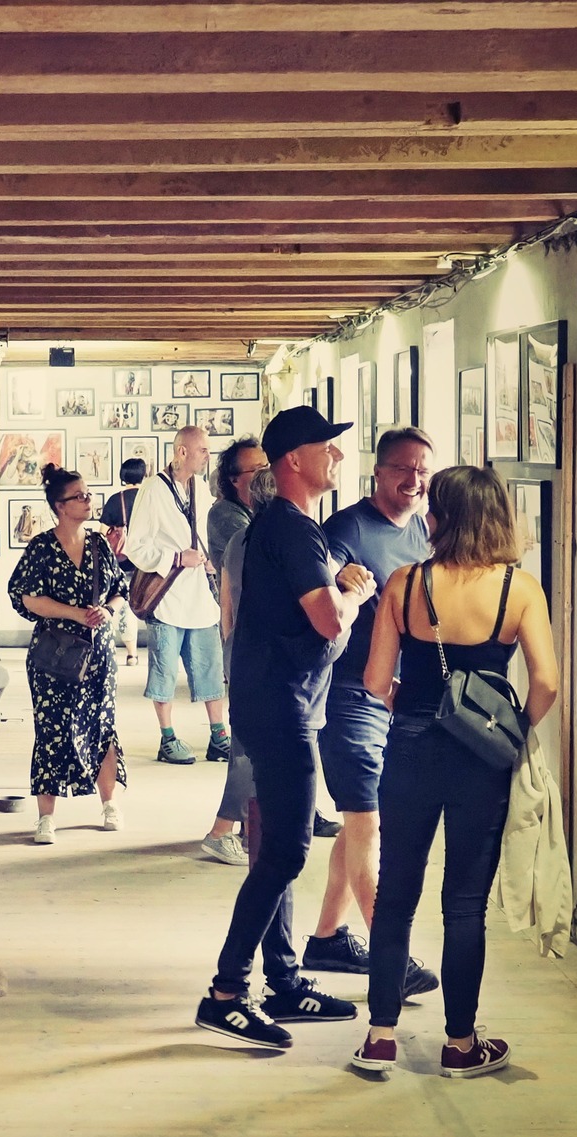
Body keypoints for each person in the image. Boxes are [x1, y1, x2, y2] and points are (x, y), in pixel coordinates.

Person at [350, 465, 560, 1078]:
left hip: (411, 747)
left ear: (440, 518)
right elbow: (546, 682)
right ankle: (461, 1045)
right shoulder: (520, 589)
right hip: (480, 759)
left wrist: (412, 707)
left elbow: (374, 681)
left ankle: (380, 1037)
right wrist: (510, 731)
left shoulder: (405, 582)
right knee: (464, 902)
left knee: (396, 893)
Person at [194, 406, 370, 1049]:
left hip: (274, 701)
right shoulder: (293, 530)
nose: (338, 456)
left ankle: (286, 982)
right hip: (280, 708)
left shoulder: (285, 526)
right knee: (289, 851)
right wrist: (355, 593)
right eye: (328, 446)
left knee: (276, 847)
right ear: (294, 459)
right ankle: (225, 994)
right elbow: (329, 622)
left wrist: (335, 588)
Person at [306, 428, 442, 997]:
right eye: (403, 469)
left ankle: (327, 939)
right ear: (378, 472)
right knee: (367, 819)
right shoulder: (349, 528)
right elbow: (319, 580)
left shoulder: (421, 530)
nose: (413, 480)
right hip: (349, 693)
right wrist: (339, 574)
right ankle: (391, 953)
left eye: (423, 471)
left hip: (396, 695)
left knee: (364, 818)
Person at [7, 464, 130, 844]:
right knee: (52, 730)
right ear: (60, 506)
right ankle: (46, 817)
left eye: (88, 494)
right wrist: (74, 613)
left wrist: (108, 611)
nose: (88, 500)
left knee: (102, 726)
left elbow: (120, 590)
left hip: (98, 653)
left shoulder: (99, 545)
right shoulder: (42, 548)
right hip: (54, 655)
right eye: (80, 496)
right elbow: (27, 597)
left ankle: (109, 804)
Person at [124, 427, 228, 765]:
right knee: (164, 672)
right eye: (202, 450)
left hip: (200, 597)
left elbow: (207, 533)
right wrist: (176, 558)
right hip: (167, 596)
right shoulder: (153, 489)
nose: (207, 456)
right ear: (181, 452)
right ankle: (167, 738)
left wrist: (211, 559)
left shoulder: (199, 488)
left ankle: (219, 736)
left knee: (210, 668)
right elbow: (136, 546)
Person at [196, 438, 268, 865]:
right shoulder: (229, 518)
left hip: (245, 640)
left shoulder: (257, 517)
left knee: (257, 741)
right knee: (247, 741)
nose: (265, 476)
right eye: (256, 470)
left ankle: (248, 825)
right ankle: (222, 829)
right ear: (234, 479)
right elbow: (238, 583)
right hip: (245, 641)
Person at [98, 456, 147, 667]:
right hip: (148, 562)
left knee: (124, 606)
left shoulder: (114, 500)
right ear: (144, 475)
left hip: (121, 562)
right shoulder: (149, 499)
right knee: (153, 605)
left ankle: (131, 654)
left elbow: (101, 533)